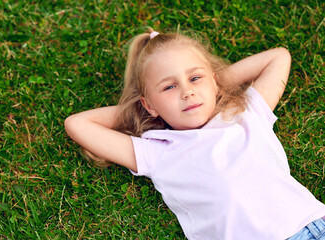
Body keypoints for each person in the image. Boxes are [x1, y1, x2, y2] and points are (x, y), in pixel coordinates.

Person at [64, 29, 325, 240]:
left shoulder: (245, 114)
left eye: (195, 78)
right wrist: (141, 112)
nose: (187, 92)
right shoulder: (158, 152)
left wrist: (213, 84)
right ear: (150, 105)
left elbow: (278, 57)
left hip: (313, 223)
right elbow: (77, 123)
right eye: (169, 86)